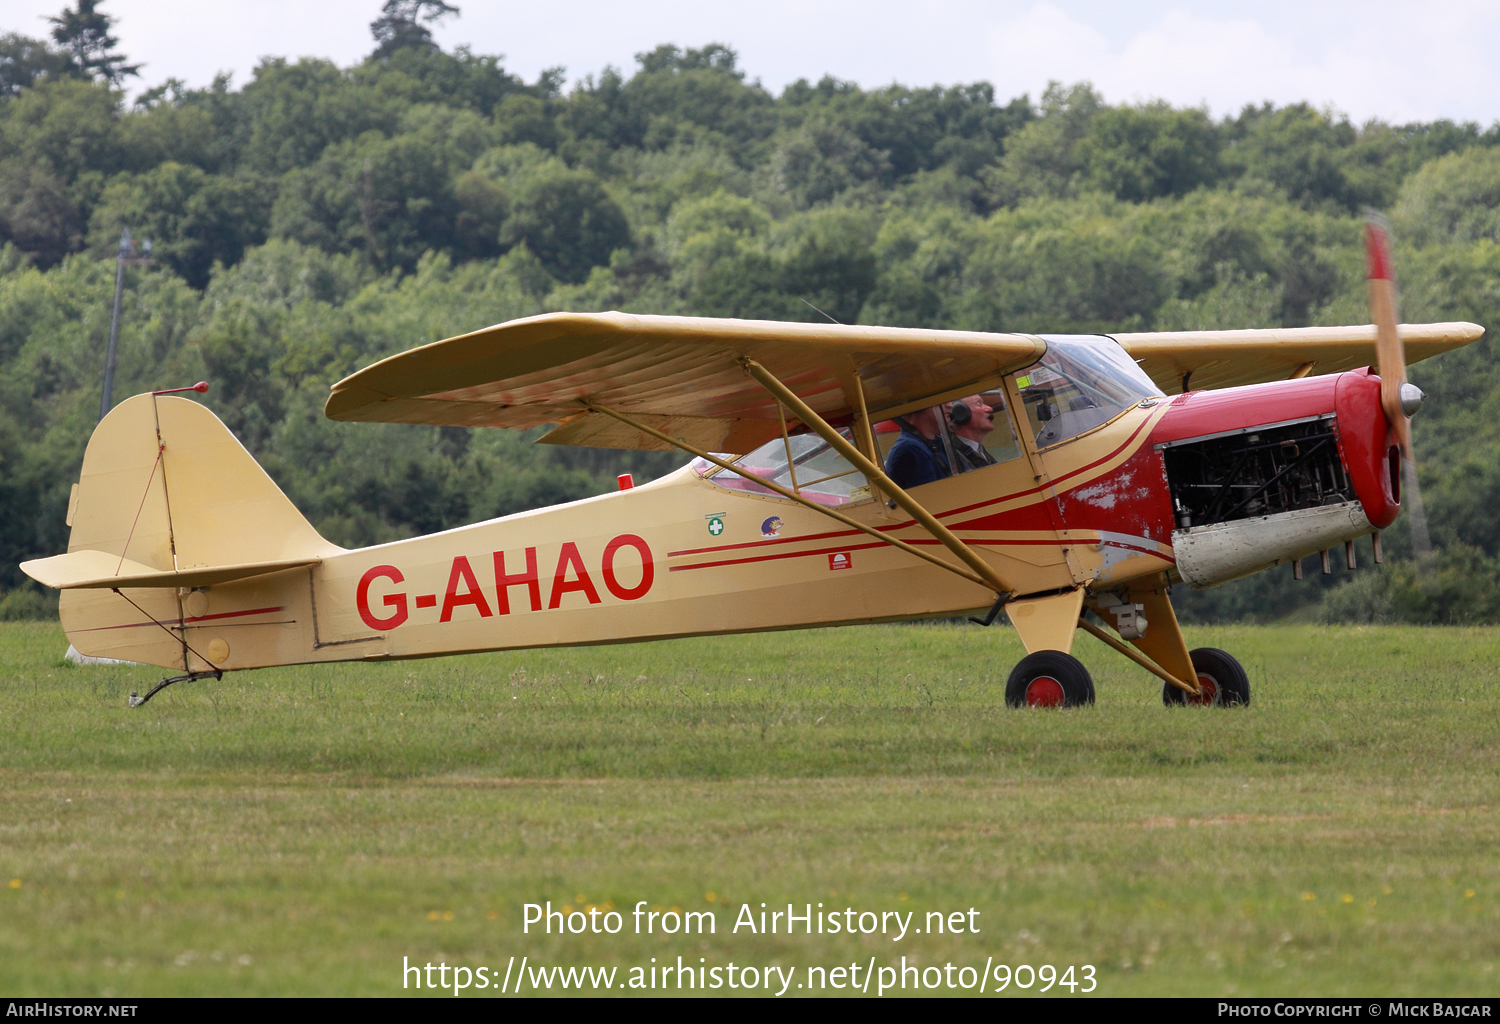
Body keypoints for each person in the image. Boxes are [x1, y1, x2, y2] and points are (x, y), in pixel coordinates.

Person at [884, 406, 951, 489]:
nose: (950, 405)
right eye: (939, 402)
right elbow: (932, 495)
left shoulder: (938, 442)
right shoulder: (910, 450)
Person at [948, 395, 999, 470]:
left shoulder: (979, 449)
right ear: (959, 412)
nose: (989, 409)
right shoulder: (951, 456)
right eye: (979, 404)